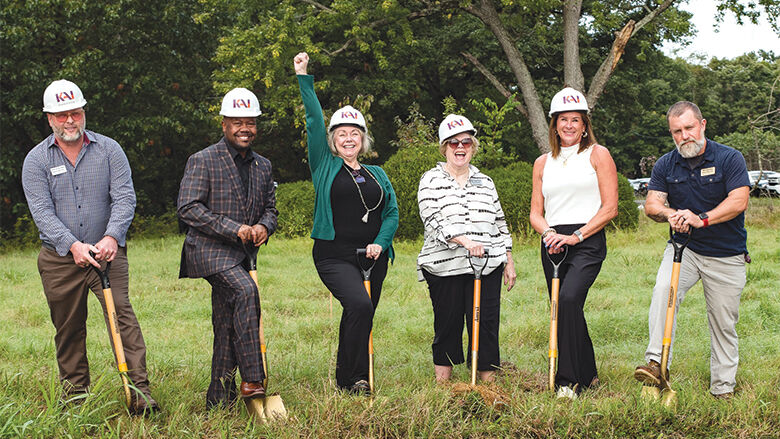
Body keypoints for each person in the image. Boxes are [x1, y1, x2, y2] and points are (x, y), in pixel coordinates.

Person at [21, 79, 159, 415]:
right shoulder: (36, 160)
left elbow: (125, 196)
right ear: (49, 118)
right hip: (59, 260)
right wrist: (72, 246)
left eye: (76, 113)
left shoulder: (109, 150)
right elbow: (42, 213)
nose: (70, 120)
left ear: (84, 113)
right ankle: (76, 397)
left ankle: (138, 391)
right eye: (62, 115)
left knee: (122, 318)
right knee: (68, 327)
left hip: (107, 254)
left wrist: (112, 236)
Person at [293, 52, 398, 395]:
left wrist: (381, 244)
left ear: (363, 139)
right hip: (334, 255)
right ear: (333, 139)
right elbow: (312, 118)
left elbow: (392, 213)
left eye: (355, 133)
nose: (349, 138)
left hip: (373, 257)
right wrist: (303, 76)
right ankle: (347, 380)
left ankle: (356, 375)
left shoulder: (377, 174)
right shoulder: (324, 165)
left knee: (362, 315)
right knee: (359, 305)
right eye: (342, 133)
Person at [633, 101, 750, 400]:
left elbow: (739, 201)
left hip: (726, 254)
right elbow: (652, 205)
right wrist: (671, 214)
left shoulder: (729, 158)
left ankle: (722, 388)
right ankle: (656, 364)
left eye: (688, 128)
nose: (684, 136)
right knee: (663, 292)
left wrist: (702, 219)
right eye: (677, 131)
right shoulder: (666, 164)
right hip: (684, 250)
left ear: (702, 125)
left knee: (723, 322)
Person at [177, 87, 278, 409]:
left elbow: (270, 209)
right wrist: (235, 229)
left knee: (226, 323)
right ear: (224, 124)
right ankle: (253, 378)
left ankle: (219, 399)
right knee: (246, 292)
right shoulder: (203, 160)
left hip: (242, 254)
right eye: (237, 122)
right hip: (208, 250)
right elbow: (188, 208)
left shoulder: (263, 166)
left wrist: (264, 226)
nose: (244, 128)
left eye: (250, 122)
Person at [529, 87, 618, 399]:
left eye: (575, 120)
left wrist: (577, 236)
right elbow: (535, 213)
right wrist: (549, 233)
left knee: (567, 300)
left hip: (587, 240)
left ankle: (567, 381)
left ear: (585, 125)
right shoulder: (542, 162)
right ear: (554, 124)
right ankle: (589, 373)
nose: (569, 125)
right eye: (563, 119)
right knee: (566, 307)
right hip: (553, 243)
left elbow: (610, 207)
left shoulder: (598, 154)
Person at [417, 114, 517, 384]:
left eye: (465, 142)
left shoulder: (485, 181)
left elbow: (499, 221)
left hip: (487, 264)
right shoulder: (430, 180)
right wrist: (465, 241)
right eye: (452, 143)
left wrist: (508, 260)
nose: (460, 148)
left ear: (473, 146)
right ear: (443, 147)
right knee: (448, 323)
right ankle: (443, 385)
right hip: (444, 266)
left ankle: (488, 384)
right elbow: (432, 219)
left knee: (485, 324)